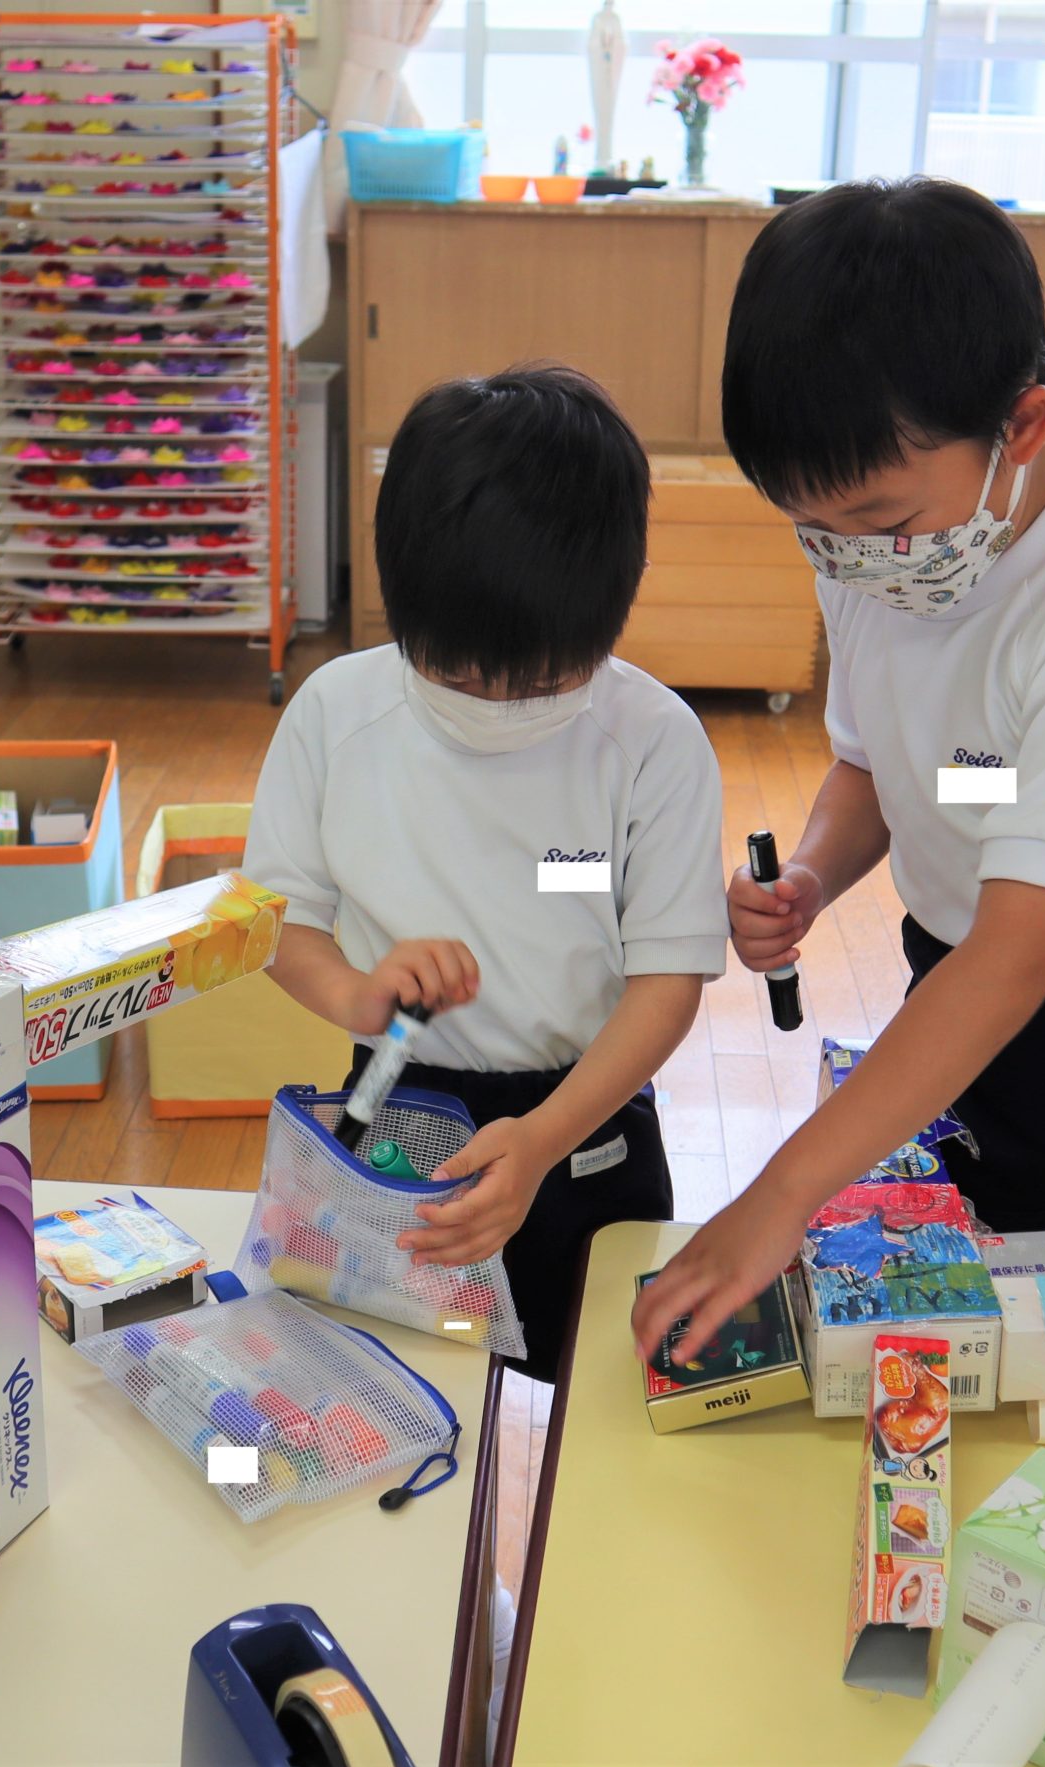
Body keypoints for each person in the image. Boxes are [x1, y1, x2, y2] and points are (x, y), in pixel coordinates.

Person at [634, 179, 1045, 1363]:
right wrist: (815, 875)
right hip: (958, 980)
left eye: (875, 521)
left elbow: (1017, 954)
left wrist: (779, 1195)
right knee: (949, 1325)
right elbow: (880, 761)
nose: (848, 559)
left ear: (1022, 426)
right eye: (811, 528)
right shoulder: (882, 544)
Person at [248, 364, 727, 1383]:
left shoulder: (653, 742)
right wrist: (356, 994)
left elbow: (668, 983)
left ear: (614, 601)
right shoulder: (335, 714)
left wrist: (544, 1141)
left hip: (586, 1114)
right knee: (394, 1375)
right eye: (460, 675)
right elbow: (283, 921)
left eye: (543, 679)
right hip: (395, 1092)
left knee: (594, 1390)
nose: (498, 705)